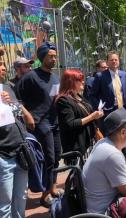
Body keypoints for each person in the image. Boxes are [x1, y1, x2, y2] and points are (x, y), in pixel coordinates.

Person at [17, 41, 62, 207]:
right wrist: (27, 115)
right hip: (39, 122)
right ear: (42, 57)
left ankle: (52, 188)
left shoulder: (55, 77)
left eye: (55, 57)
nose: (54, 59)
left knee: (57, 155)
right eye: (50, 56)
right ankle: (44, 196)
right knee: (49, 157)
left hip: (54, 121)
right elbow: (16, 99)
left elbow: (54, 97)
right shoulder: (30, 77)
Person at [55, 69, 104, 162]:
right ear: (70, 82)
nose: (83, 82)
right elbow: (69, 124)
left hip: (89, 143)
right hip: (77, 146)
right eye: (79, 80)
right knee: (80, 174)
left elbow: (87, 114)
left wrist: (96, 115)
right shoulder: (63, 100)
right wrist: (92, 117)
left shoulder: (79, 97)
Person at [0, 63, 28, 218]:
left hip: (20, 151)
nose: (3, 68)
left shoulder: (6, 87)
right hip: (3, 155)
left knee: (21, 198)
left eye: (3, 65)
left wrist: (10, 102)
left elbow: (18, 112)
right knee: (4, 203)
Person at [90, 51, 126, 133]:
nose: (114, 61)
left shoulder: (125, 75)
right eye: (111, 60)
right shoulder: (100, 76)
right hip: (108, 113)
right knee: (111, 138)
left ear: (119, 61)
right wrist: (100, 109)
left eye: (116, 60)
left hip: (124, 111)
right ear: (107, 62)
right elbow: (93, 95)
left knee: (124, 137)